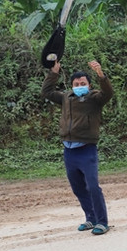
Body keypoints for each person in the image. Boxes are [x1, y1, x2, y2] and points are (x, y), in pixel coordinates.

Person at [41, 59, 113, 236]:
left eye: (83, 83)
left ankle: (102, 222)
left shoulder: (94, 98)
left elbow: (108, 93)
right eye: (76, 83)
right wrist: (54, 73)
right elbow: (47, 91)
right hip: (69, 151)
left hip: (86, 149)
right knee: (78, 187)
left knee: (93, 187)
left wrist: (101, 75)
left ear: (89, 85)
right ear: (72, 85)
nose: (79, 86)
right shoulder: (66, 97)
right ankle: (91, 218)